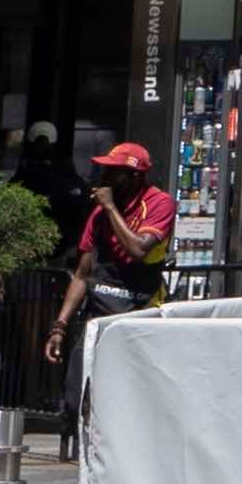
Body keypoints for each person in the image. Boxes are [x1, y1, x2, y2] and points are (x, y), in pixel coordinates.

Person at [51, 139, 175, 393]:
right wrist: (59, 327)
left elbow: (138, 249)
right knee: (77, 394)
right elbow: (82, 275)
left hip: (140, 317)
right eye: (105, 170)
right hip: (99, 316)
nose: (105, 177)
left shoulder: (159, 203)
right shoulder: (98, 215)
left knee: (130, 394)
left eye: (113, 172)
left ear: (135, 176)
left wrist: (109, 208)